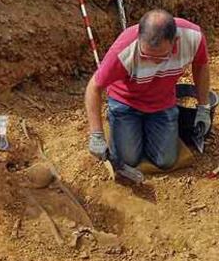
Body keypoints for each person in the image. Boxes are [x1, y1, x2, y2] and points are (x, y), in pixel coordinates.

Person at [85, 10, 211, 170]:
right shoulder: (124, 50)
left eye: (160, 57)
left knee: (165, 161)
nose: (151, 61)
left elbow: (201, 65)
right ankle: (120, 125)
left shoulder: (193, 37)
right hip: (126, 103)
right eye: (145, 55)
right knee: (128, 160)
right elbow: (94, 87)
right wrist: (96, 134)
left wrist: (203, 107)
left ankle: (146, 131)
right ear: (139, 38)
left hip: (162, 103)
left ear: (175, 41)